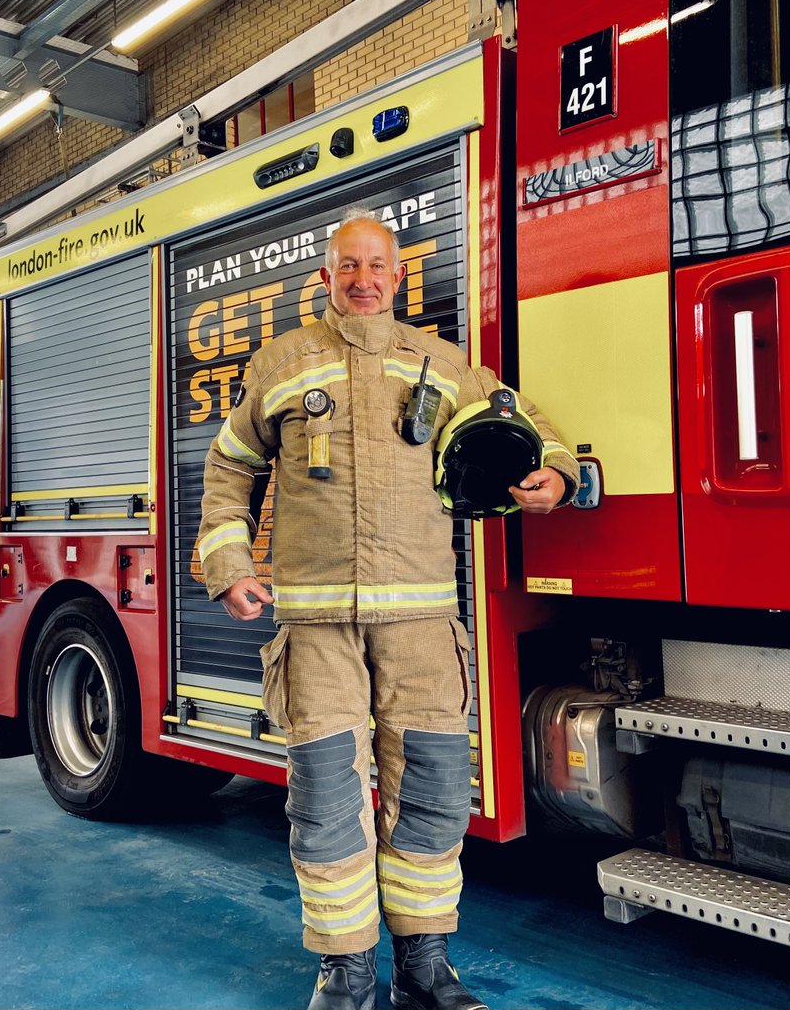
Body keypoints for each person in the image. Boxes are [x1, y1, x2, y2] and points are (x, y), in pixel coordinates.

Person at [196, 209, 578, 1010]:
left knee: (435, 792)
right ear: (326, 277)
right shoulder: (283, 362)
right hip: (318, 627)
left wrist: (556, 471)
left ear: (398, 277)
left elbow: (527, 422)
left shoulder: (442, 365)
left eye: (377, 266)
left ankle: (425, 968)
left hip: (422, 629)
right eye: (348, 266)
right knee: (327, 798)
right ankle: (345, 970)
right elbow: (230, 471)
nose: (363, 280)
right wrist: (230, 564)